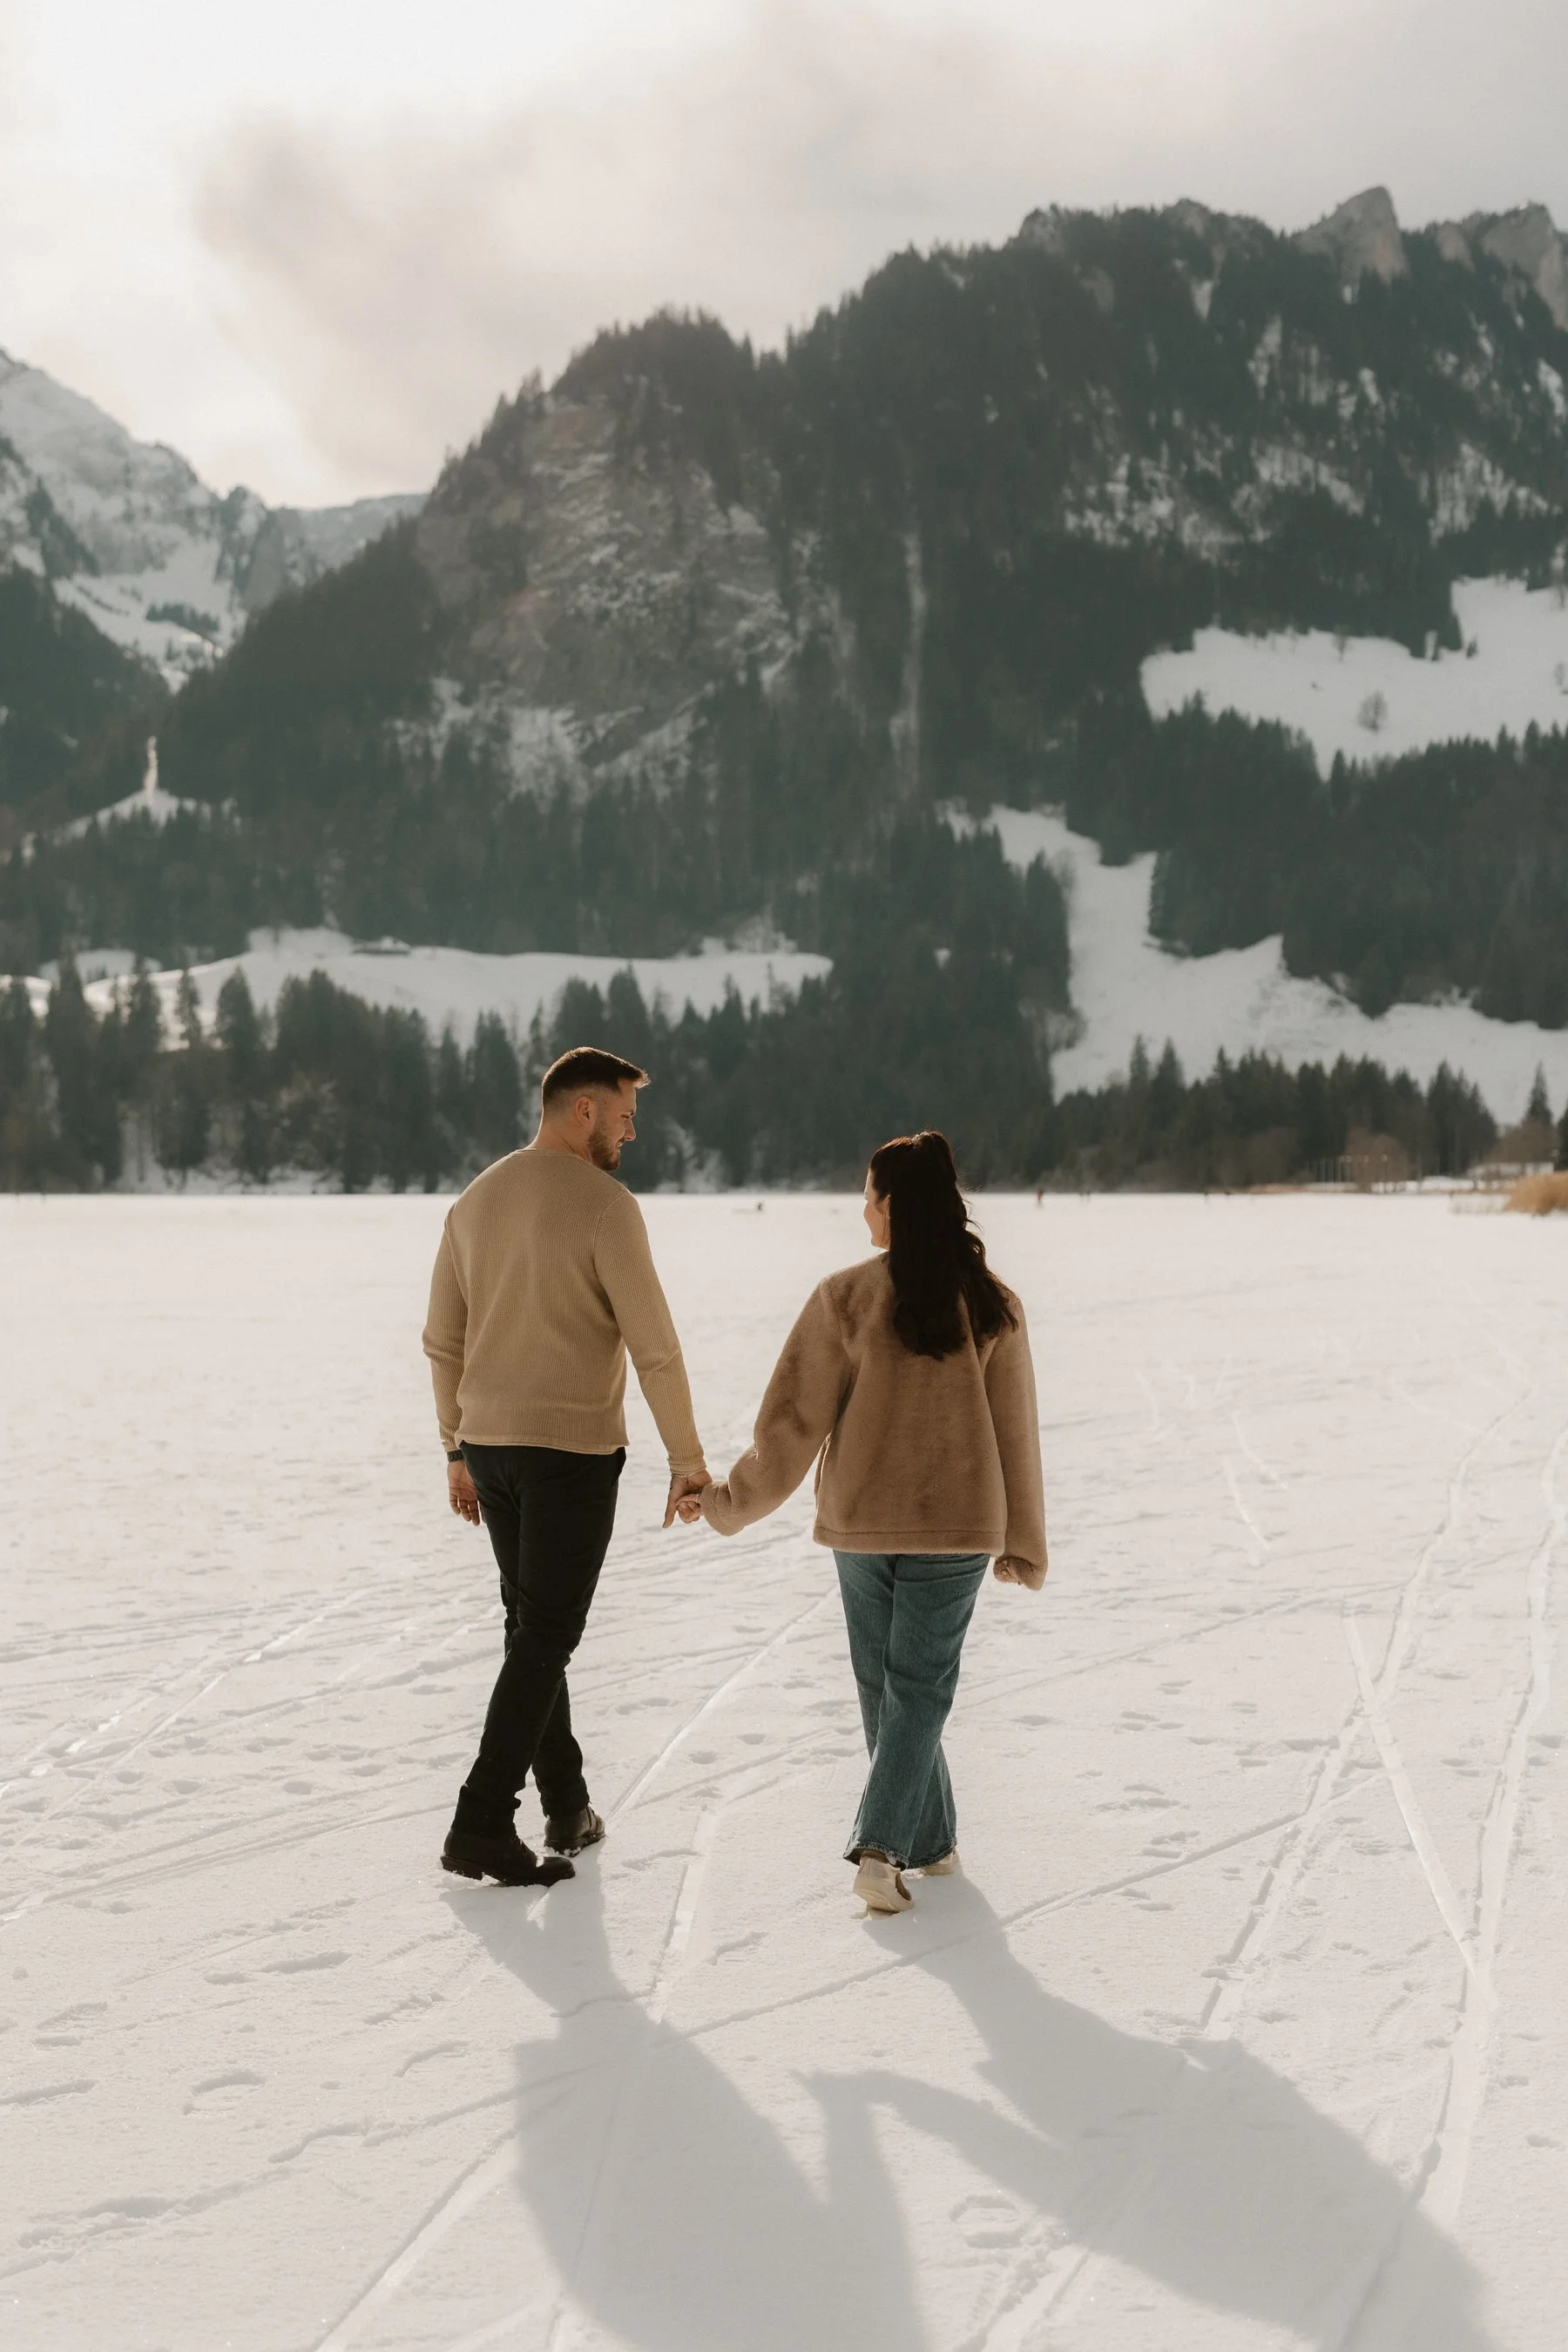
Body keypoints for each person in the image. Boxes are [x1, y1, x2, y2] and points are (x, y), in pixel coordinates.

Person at [691, 1131, 1045, 1915]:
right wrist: (1021, 1541)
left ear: (894, 1206)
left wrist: (729, 1501)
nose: (862, 1213)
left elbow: (789, 1426)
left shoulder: (845, 1297)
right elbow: (1014, 1431)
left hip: (862, 1521)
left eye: (869, 1198)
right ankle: (915, 1845)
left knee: (891, 1689)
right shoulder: (993, 1304)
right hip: (957, 1525)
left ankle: (890, 1847)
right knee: (913, 1690)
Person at [423, 1045, 708, 1889]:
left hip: (490, 1447)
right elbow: (654, 1348)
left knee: (530, 1632)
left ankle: (567, 1805)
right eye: (624, 1116)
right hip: (570, 1453)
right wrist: (687, 1461)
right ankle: (481, 1821)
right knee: (545, 1635)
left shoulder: (474, 1201)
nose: (631, 1133)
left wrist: (453, 1449)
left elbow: (444, 1340)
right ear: (580, 1110)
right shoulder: (606, 1208)